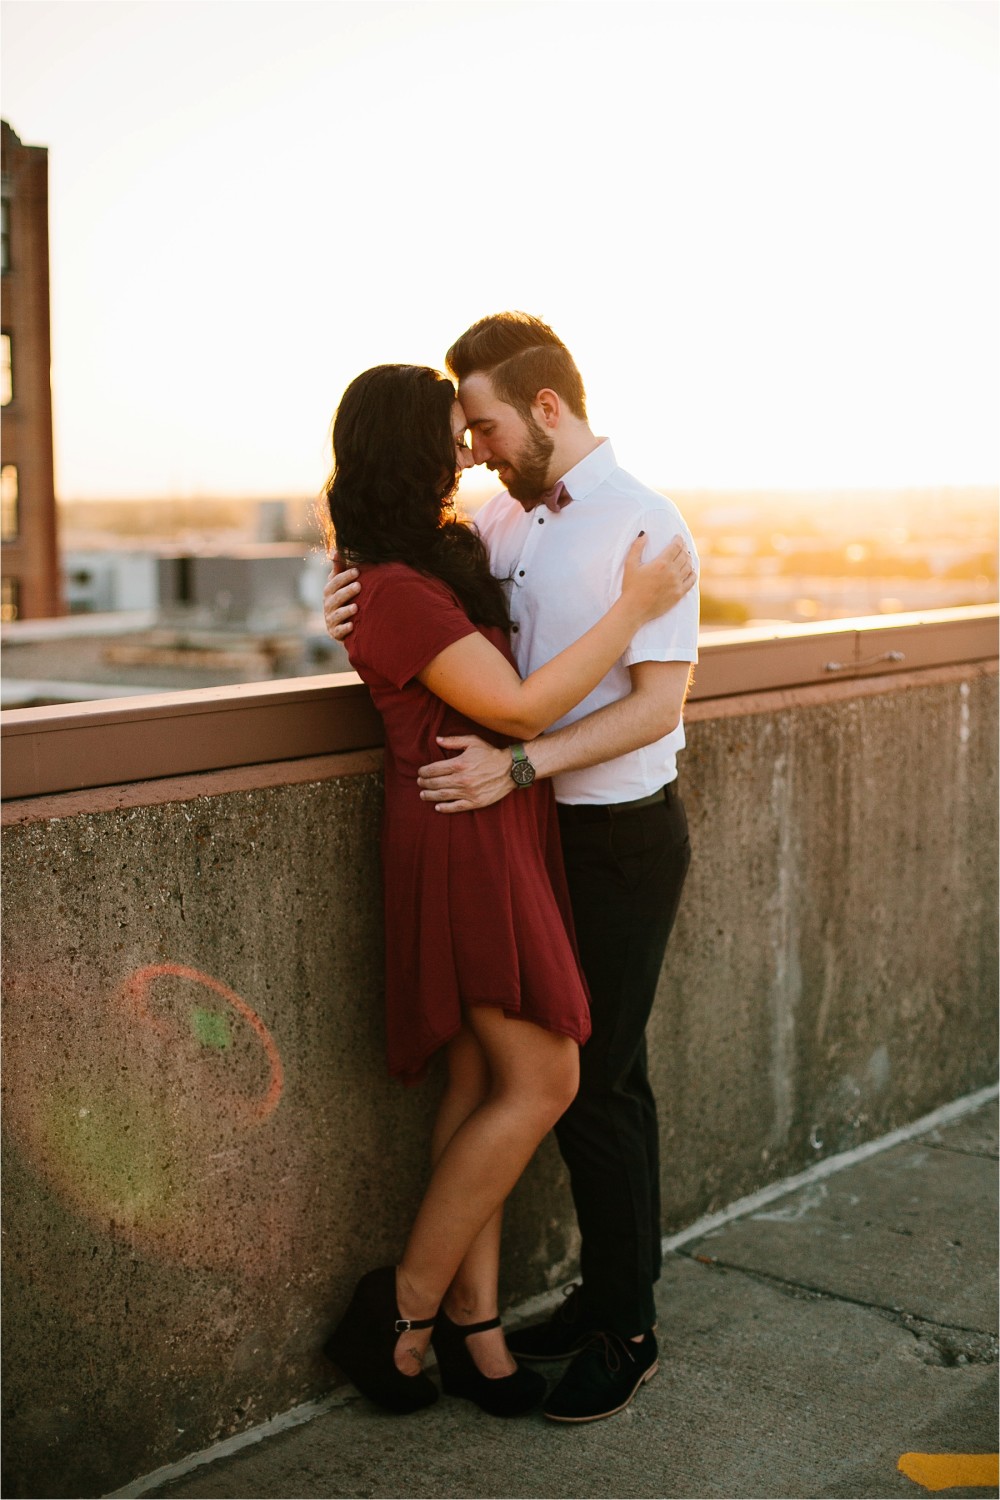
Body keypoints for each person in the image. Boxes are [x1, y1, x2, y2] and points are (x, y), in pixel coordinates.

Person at [325, 314, 700, 1424]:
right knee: (510, 1081)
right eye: (455, 433)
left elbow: (658, 705)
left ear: (542, 408)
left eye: (481, 424)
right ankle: (463, 1328)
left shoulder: (646, 525)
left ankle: (621, 1322)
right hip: (507, 832)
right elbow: (392, 586)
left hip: (610, 831)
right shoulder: (489, 519)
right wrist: (334, 589)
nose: (473, 449)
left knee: (599, 1081)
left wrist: (523, 763)